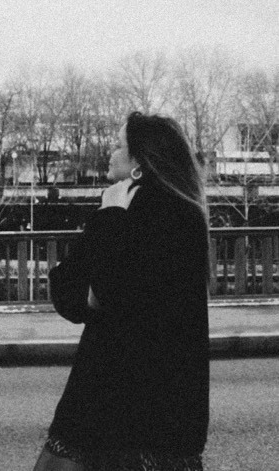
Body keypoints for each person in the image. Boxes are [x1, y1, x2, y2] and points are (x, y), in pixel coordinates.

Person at [34, 111, 210, 471]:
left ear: (139, 164)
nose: (110, 153)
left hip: (126, 408)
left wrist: (111, 215)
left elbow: (105, 290)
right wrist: (91, 295)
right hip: (147, 407)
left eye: (118, 146)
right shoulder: (180, 213)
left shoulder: (165, 216)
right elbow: (70, 292)